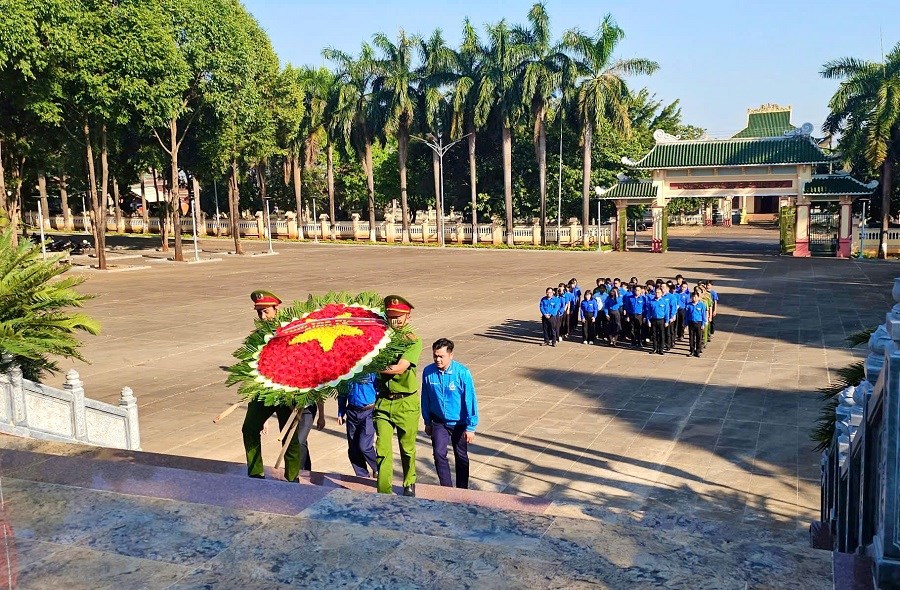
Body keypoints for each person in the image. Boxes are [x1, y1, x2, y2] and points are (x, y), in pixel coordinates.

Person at [242, 290, 325, 481]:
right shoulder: (256, 337)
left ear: (276, 309)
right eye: (259, 313)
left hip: (287, 392)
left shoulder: (291, 332)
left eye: (266, 312)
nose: (263, 316)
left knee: (290, 437)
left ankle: (292, 477)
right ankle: (255, 472)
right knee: (249, 428)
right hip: (263, 392)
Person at [375, 295, 423, 496]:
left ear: (408, 316)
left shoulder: (413, 341)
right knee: (382, 449)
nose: (394, 321)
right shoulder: (379, 339)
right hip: (384, 401)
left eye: (398, 316)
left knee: (407, 448)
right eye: (391, 316)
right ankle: (383, 490)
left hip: (406, 402)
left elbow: (400, 368)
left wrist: (372, 365)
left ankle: (409, 481)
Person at [421, 338, 478, 488]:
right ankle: (446, 488)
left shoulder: (462, 373)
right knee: (439, 454)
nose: (438, 360)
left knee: (461, 457)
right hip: (439, 422)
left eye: (441, 356)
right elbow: (425, 397)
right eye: (435, 356)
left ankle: (462, 488)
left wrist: (471, 427)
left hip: (459, 422)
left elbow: (470, 399)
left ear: (451, 355)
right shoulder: (428, 372)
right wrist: (427, 421)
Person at [337, 373, 378, 478]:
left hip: (368, 411)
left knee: (365, 446)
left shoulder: (371, 371)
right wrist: (341, 412)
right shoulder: (347, 372)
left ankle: (379, 468)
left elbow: (379, 390)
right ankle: (362, 476)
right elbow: (342, 393)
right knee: (353, 448)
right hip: (352, 411)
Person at [685, 290, 708, 357]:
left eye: (695, 297)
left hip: (699, 323)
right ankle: (692, 350)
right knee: (691, 338)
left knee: (698, 338)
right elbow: (686, 316)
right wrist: (686, 324)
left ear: (698, 297)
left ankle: (698, 351)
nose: (694, 298)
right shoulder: (689, 305)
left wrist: (703, 324)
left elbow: (703, 315)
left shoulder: (701, 305)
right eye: (692, 297)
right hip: (691, 323)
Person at [647, 286, 669, 355]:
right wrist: (648, 320)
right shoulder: (651, 302)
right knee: (654, 335)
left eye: (658, 292)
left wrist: (667, 321)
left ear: (661, 293)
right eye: (656, 292)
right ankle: (655, 348)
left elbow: (666, 312)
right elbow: (649, 312)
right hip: (653, 320)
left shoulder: (664, 302)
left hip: (661, 320)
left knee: (662, 335)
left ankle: (661, 349)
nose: (657, 294)